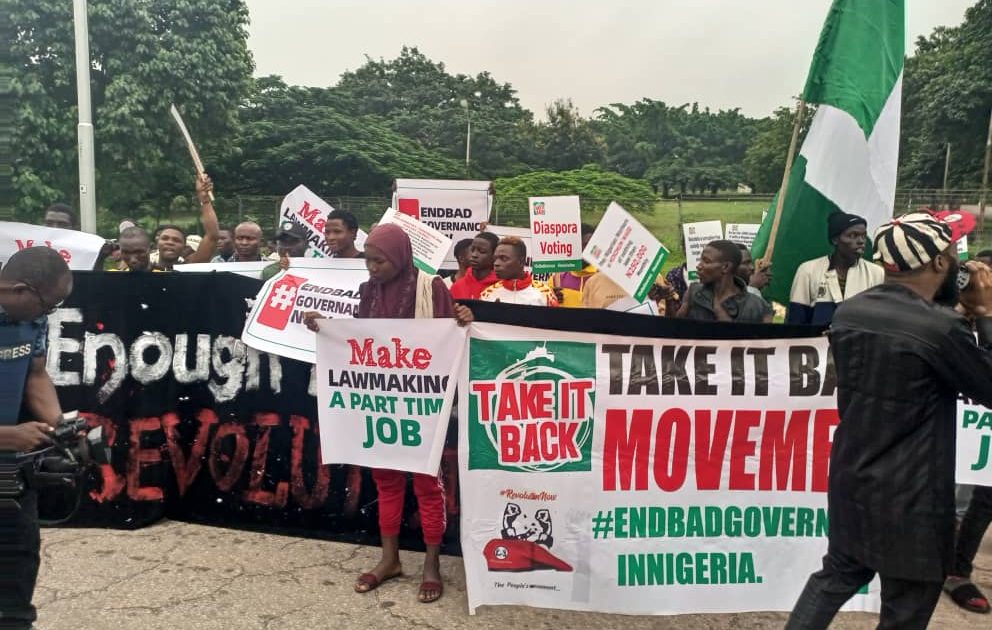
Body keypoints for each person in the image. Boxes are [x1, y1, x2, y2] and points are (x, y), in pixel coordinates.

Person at [786, 212, 992, 629]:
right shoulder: (942, 329)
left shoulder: (850, 311)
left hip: (852, 477)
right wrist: (985, 313)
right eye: (954, 254)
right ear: (938, 263)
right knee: (907, 602)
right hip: (913, 498)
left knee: (836, 575)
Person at [303, 224, 454, 604]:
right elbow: (358, 339)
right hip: (381, 404)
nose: (371, 267)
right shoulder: (367, 292)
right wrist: (325, 327)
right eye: (367, 260)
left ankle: (432, 564)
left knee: (426, 485)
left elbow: (449, 339)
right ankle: (390, 559)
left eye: (379, 260)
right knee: (386, 481)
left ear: (400, 257)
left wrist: (462, 319)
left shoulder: (431, 288)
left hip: (421, 406)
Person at [0, 247, 74, 630]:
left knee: (16, 556)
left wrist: (60, 425)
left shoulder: (28, 321)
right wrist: (7, 436)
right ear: (22, 290)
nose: (49, 315)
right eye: (47, 306)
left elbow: (35, 374)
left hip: (7, 472)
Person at [787, 211, 883, 325]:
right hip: (817, 341)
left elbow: (880, 320)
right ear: (835, 240)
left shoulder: (877, 273)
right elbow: (796, 320)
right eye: (853, 235)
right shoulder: (808, 270)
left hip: (861, 342)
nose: (861, 241)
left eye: (863, 236)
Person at [675, 240, 772, 323]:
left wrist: (718, 309)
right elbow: (674, 329)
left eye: (706, 261)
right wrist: (669, 299)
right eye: (701, 260)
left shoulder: (759, 307)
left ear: (725, 267)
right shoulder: (694, 292)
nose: (699, 266)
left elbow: (766, 342)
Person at [150, 174, 219, 271]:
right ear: (157, 243)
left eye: (176, 240)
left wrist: (205, 199)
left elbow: (212, 236)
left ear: (184, 247)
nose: (170, 242)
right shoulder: (145, 268)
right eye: (165, 238)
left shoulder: (189, 267)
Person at [479, 236, 558, 306]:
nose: (496, 263)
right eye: (495, 259)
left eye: (504, 258)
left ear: (521, 262)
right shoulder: (488, 294)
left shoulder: (545, 293)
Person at [548, 223, 597, 307]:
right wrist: (551, 301)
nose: (589, 249)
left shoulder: (602, 279)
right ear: (574, 246)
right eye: (585, 244)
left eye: (592, 244)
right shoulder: (557, 280)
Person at [449, 232, 499, 300]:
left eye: (481, 251)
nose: (474, 255)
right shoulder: (457, 286)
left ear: (494, 255)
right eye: (472, 250)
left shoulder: (502, 287)